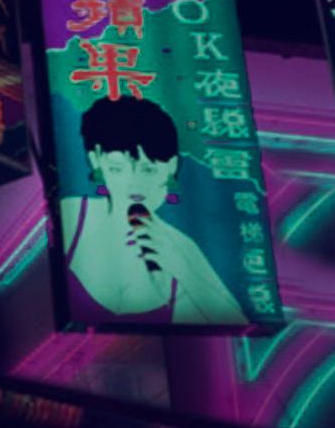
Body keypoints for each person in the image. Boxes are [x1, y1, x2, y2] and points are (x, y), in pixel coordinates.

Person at [59, 94, 242, 328]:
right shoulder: (74, 216)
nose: (133, 183)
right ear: (96, 161)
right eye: (117, 169)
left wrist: (180, 267)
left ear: (171, 166)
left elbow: (236, 320)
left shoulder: (179, 247)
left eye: (148, 170)